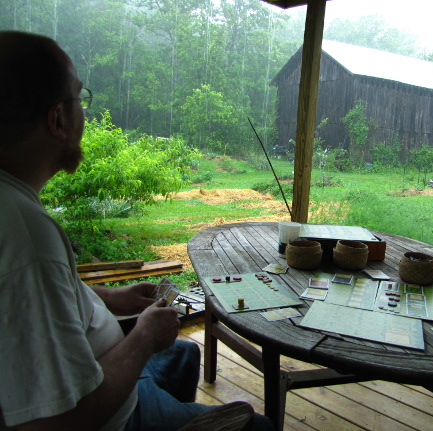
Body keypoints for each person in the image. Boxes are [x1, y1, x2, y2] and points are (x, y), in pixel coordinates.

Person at [0, 31, 274, 431]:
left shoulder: (14, 206)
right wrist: (143, 337)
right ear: (57, 119)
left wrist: (111, 297)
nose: (85, 113)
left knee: (183, 356)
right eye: (80, 99)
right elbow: (59, 421)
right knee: (258, 427)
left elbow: (37, 298)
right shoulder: (26, 237)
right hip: (112, 413)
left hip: (99, 360)